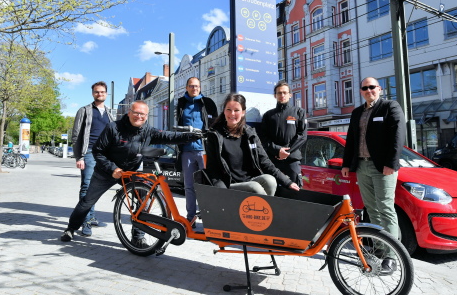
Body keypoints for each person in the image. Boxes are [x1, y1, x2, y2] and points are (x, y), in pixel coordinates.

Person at [61, 100, 200, 244]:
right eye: (136, 113)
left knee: (143, 203)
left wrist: (192, 136)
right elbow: (98, 151)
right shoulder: (113, 127)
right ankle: (71, 228)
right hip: (106, 172)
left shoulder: (147, 130)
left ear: (147, 116)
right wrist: (112, 168)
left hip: (131, 172)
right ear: (129, 113)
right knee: (87, 201)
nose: (139, 116)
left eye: (143, 114)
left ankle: (138, 238)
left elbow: (169, 136)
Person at [341, 77, 406, 274]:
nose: (369, 90)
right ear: (361, 91)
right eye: (365, 88)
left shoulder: (390, 107)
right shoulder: (357, 112)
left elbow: (398, 136)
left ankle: (392, 257)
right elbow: (351, 139)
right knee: (372, 209)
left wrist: (391, 164)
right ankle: (379, 248)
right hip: (362, 166)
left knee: (386, 208)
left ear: (379, 89)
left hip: (382, 168)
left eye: (372, 87)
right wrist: (346, 164)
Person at [204, 93, 300, 196]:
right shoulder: (214, 135)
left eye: (236, 110)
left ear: (243, 112)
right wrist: (221, 191)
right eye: (228, 109)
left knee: (270, 180)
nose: (232, 114)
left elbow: (265, 161)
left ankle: (262, 209)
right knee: (255, 188)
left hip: (249, 180)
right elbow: (212, 168)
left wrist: (287, 181)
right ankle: (264, 209)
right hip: (229, 183)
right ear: (224, 111)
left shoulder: (250, 134)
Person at [71, 81, 115, 237]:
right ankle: (85, 221)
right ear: (92, 93)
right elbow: (76, 134)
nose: (100, 94)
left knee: (96, 188)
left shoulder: (110, 114)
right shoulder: (84, 110)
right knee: (86, 187)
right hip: (89, 152)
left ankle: (91, 216)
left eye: (102, 92)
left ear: (106, 94)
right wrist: (79, 156)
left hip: (104, 155)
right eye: (97, 92)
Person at [176, 77, 218, 225]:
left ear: (200, 88)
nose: (195, 88)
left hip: (203, 150)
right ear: (186, 88)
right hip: (187, 150)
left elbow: (215, 123)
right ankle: (190, 218)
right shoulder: (181, 103)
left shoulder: (207, 103)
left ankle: (209, 219)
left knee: (207, 185)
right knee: (188, 186)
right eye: (192, 86)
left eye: (197, 86)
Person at [259, 81, 307, 197]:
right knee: (271, 192)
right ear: (275, 95)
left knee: (295, 193)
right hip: (273, 161)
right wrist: (277, 150)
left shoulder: (299, 112)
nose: (282, 95)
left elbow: (302, 136)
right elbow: (263, 139)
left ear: (290, 94)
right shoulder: (268, 115)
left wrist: (287, 152)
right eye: (279, 93)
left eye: (285, 93)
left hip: (292, 160)